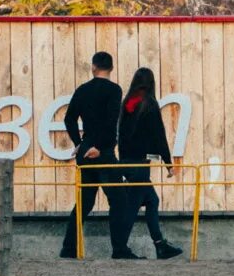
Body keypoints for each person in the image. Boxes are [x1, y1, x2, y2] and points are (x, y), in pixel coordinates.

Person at [108, 67, 186, 261]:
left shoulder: (127, 103)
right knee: (132, 206)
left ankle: (160, 246)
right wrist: (168, 164)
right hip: (140, 164)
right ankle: (120, 249)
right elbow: (159, 135)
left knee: (152, 201)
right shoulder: (149, 104)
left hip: (126, 161)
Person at [58, 51, 121, 258]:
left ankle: (69, 249)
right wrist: (100, 147)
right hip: (104, 152)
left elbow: (69, 119)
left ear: (93, 67)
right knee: (118, 200)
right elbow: (111, 123)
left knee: (84, 202)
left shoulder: (83, 90)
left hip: (85, 153)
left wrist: (79, 143)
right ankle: (119, 249)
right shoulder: (114, 91)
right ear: (111, 68)